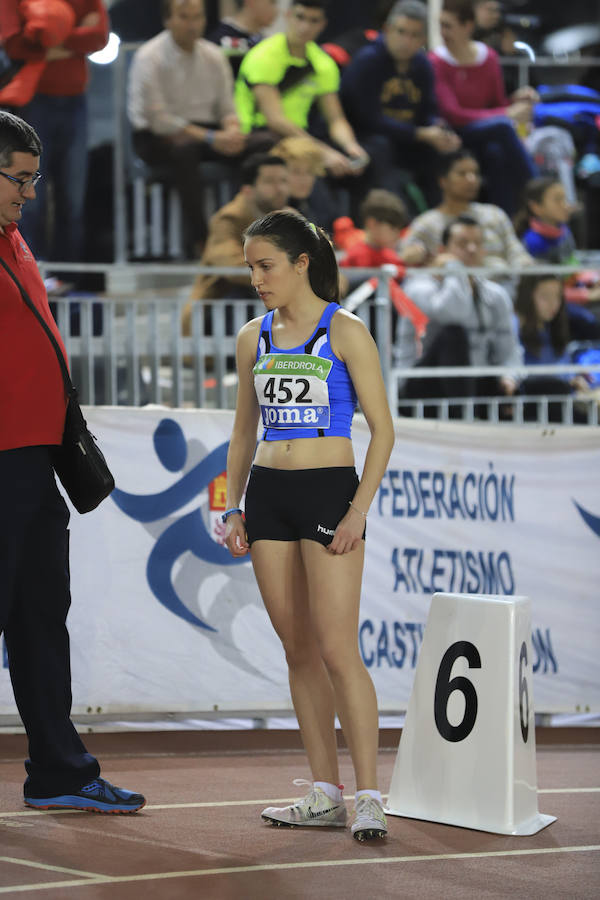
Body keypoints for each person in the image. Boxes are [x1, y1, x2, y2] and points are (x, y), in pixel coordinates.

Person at [223, 209, 394, 841]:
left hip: (328, 491)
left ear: (301, 264)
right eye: (249, 269)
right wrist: (230, 504)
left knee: (336, 649)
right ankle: (325, 792)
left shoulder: (344, 331)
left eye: (265, 266)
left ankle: (371, 793)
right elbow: (242, 432)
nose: (256, 280)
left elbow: (383, 431)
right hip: (268, 493)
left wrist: (358, 510)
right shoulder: (253, 337)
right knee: (297, 650)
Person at [0, 111, 145, 814]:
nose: (28, 194)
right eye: (18, 180)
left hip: (33, 465)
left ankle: (59, 770)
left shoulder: (14, 239)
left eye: (32, 179)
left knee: (40, 620)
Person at [127, 0, 249, 258]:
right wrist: (213, 137)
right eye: (184, 17)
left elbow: (227, 107)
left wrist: (232, 131)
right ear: (167, 20)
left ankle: (252, 235)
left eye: (198, 17)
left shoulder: (214, 56)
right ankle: (203, 241)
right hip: (156, 137)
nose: (192, 25)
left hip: (208, 132)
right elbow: (160, 120)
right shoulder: (150, 57)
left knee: (260, 146)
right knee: (185, 152)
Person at [1, 0, 109, 272]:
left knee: (72, 199)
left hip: (75, 101)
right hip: (33, 102)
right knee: (28, 198)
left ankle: (68, 278)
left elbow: (100, 36)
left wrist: (48, 41)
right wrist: (75, 34)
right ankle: (27, 275)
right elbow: (14, 44)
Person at [340, 0, 460, 206]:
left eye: (414, 35)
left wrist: (439, 129)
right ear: (387, 30)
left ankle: (444, 213)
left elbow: (428, 110)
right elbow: (369, 119)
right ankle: (395, 219)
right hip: (366, 138)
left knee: (446, 151)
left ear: (423, 38)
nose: (406, 41)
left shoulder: (423, 65)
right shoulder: (367, 61)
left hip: (408, 137)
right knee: (381, 147)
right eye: (401, 32)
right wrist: (420, 134)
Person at [400, 214, 523, 411]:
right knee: (454, 334)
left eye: (477, 243)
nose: (472, 249)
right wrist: (454, 268)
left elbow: (509, 349)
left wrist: (509, 378)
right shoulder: (418, 288)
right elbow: (454, 313)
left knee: (553, 388)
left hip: (476, 381)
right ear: (442, 251)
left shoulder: (496, 294)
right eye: (462, 243)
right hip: (422, 385)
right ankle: (464, 418)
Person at [235, 0, 369, 179]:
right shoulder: (264, 56)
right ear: (288, 16)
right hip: (258, 135)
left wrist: (351, 147)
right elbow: (275, 120)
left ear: (323, 25)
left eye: (313, 21)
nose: (305, 26)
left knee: (362, 158)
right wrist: (321, 152)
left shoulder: (323, 63)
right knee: (305, 163)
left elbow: (336, 118)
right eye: (300, 17)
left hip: (298, 138)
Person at [429, 0, 537, 216]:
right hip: (453, 133)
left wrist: (516, 102)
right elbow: (453, 114)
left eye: (448, 26)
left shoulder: (488, 57)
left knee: (496, 154)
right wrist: (507, 113)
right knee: (503, 127)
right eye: (440, 25)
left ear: (468, 26)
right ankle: (538, 191)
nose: (442, 32)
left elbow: (498, 104)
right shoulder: (436, 61)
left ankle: (501, 222)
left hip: (487, 134)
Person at [183, 151, 290, 331]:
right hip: (216, 311)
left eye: (284, 181)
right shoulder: (228, 219)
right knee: (247, 293)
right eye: (270, 182)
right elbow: (231, 267)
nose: (280, 188)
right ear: (247, 189)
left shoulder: (284, 217)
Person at [401, 148, 533, 270]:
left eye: (475, 173)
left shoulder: (495, 214)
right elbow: (403, 255)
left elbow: (516, 253)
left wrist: (527, 270)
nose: (472, 179)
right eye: (462, 174)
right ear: (443, 181)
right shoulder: (426, 223)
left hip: (502, 286)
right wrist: (415, 254)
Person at [514, 273, 598, 422]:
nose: (554, 304)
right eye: (545, 297)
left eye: (558, 296)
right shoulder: (513, 327)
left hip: (564, 403)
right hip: (536, 409)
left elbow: (563, 369)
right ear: (527, 297)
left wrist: (574, 379)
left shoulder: (554, 329)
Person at [271, 135, 337, 228]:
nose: (304, 179)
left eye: (310, 171)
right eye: (296, 172)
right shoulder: (271, 212)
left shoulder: (316, 203)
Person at [514, 175, 577, 264]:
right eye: (557, 200)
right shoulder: (532, 241)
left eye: (565, 199)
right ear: (536, 207)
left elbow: (572, 265)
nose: (566, 205)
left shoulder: (565, 232)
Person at [207, 0, 278, 78]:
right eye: (272, 2)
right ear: (251, 2)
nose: (276, 10)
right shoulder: (221, 39)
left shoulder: (269, 41)